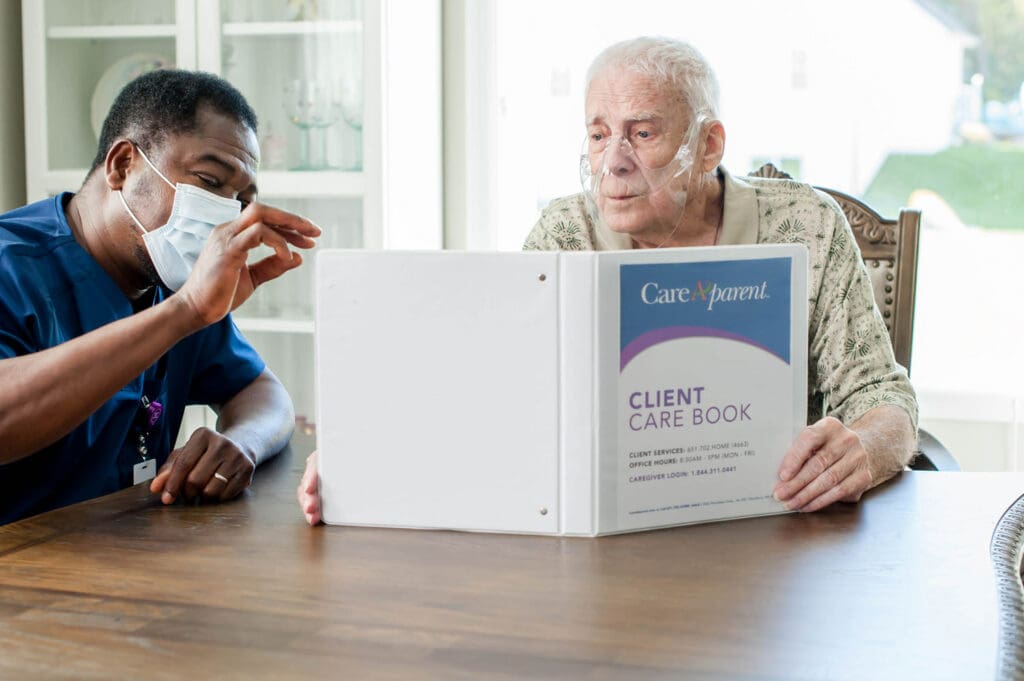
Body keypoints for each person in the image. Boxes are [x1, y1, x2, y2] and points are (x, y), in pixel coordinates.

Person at [297, 36, 918, 524]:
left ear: (708, 145)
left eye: (642, 134)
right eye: (598, 135)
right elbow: (496, 390)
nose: (612, 162)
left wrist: (862, 450)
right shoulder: (566, 231)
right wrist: (369, 456)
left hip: (773, 527)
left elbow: (883, 398)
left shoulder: (804, 224)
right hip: (608, 537)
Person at [0, 69, 321, 525]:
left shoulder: (169, 274)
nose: (228, 214)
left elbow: (262, 391)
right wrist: (184, 312)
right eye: (210, 182)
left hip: (128, 554)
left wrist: (242, 442)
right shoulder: (13, 267)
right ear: (123, 166)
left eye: (241, 199)